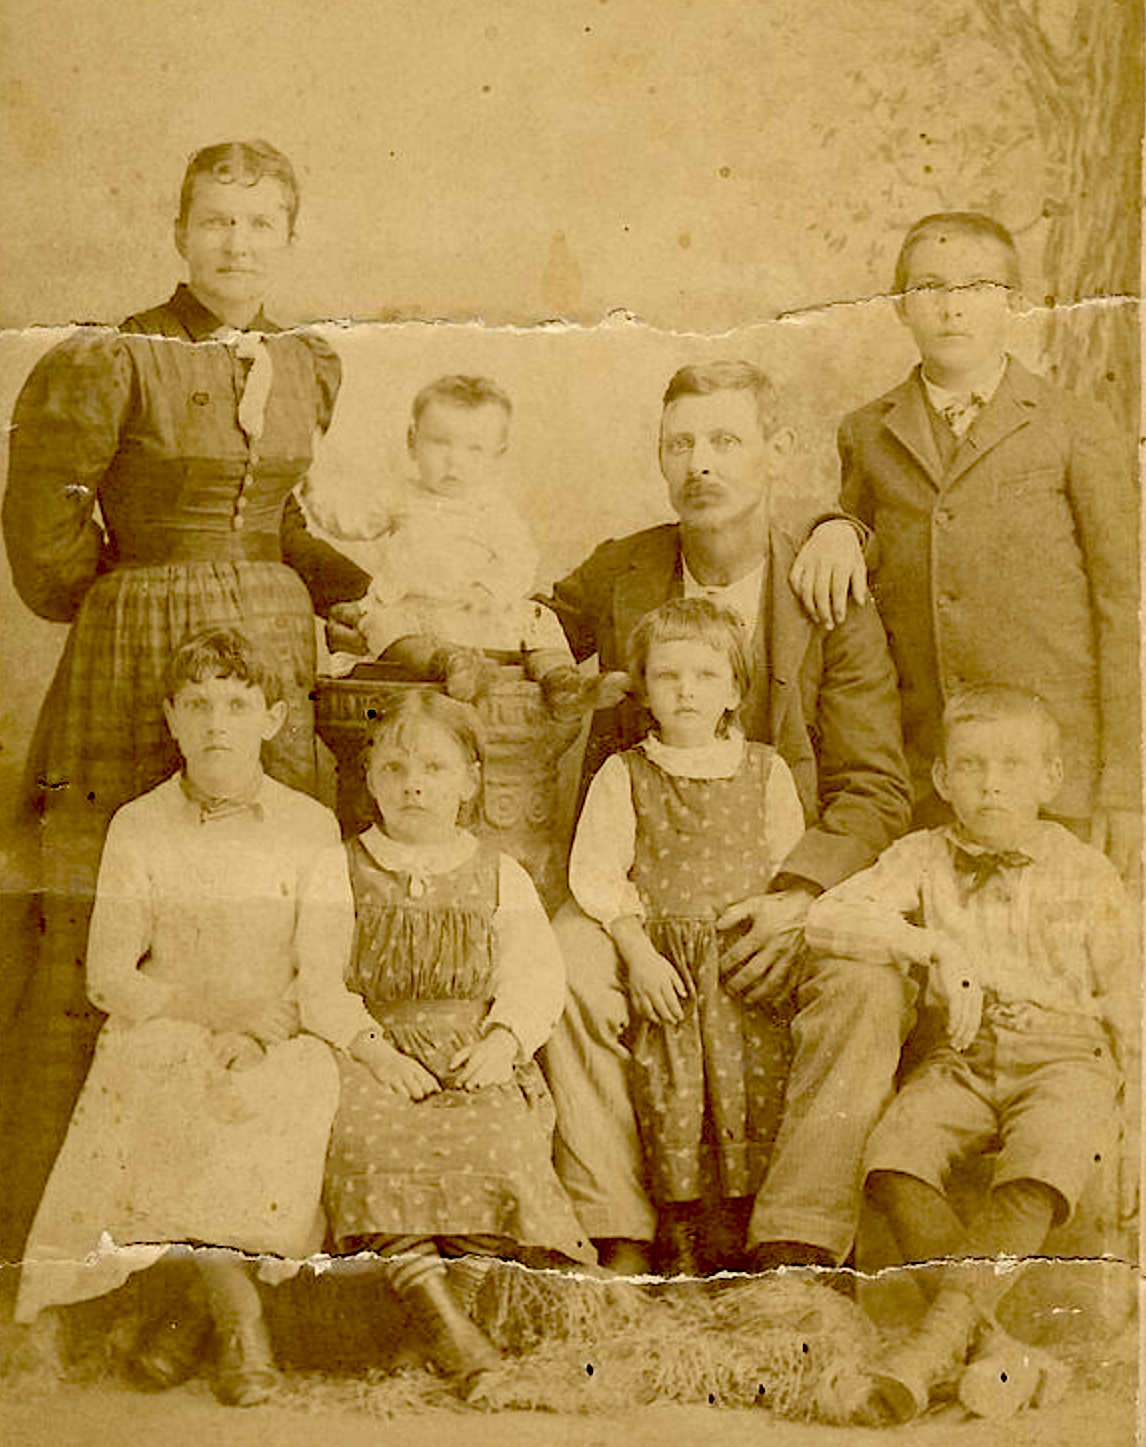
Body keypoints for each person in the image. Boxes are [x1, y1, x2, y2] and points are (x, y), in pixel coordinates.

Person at [0, 139, 369, 1261]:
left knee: (260, 906)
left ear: (288, 237)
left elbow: (283, 513)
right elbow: (44, 540)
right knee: (112, 907)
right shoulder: (114, 358)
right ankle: (69, 1234)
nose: (236, 243)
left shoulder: (307, 362)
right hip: (136, 647)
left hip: (268, 641)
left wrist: (351, 590)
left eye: (259, 223)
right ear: (179, 232)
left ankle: (247, 1232)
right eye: (216, 220)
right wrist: (133, 590)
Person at [541, 360, 914, 1275]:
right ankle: (619, 1228)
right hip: (644, 887)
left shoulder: (827, 590)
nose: (699, 464)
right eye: (680, 444)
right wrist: (524, 646)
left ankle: (796, 1237)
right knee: (570, 962)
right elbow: (536, 618)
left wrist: (799, 898)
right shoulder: (625, 569)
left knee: (865, 987)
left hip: (787, 885)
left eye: (724, 440)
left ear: (775, 452)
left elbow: (874, 787)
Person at [15, 630, 345, 1408]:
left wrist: (257, 1032)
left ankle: (184, 1326)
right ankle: (239, 1321)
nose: (216, 724)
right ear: (171, 718)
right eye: (197, 705)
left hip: (277, 1033)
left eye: (236, 704)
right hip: (169, 1020)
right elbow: (109, 975)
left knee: (292, 1086)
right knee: (156, 1074)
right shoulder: (140, 824)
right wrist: (211, 1013)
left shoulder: (309, 826)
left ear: (272, 718)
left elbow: (322, 971)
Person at [803, 685, 1139, 1422]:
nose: (991, 785)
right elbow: (826, 917)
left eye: (1012, 766)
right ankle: (993, 1348)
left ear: (1050, 777)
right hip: (966, 1054)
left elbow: (1127, 998)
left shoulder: (1084, 868)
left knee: (1049, 1149)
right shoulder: (922, 856)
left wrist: (1133, 1114)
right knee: (892, 1154)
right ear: (943, 778)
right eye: (973, 766)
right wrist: (931, 945)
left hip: (1067, 1054)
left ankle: (929, 1350)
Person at [790, 212, 1140, 884]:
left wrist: (1126, 789)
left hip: (1052, 781)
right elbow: (863, 550)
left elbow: (1124, 610)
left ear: (1013, 301)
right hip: (931, 773)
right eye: (929, 287)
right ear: (900, 306)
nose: (952, 307)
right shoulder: (867, 432)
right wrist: (833, 527)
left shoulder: (1075, 425)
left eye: (977, 286)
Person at [295, 689, 593, 1395]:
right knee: (368, 1144)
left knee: (502, 1144)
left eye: (434, 768)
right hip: (372, 1052)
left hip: (471, 1052)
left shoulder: (500, 872)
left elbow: (536, 975)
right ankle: (455, 1333)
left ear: (470, 781)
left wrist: (504, 1040)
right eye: (395, 769)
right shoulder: (339, 867)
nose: (414, 785)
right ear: (370, 780)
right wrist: (374, 1051)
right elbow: (320, 984)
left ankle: (436, 1319)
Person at [567, 599, 806, 1273]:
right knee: (670, 1092)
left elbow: (789, 869)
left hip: (742, 964)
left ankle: (744, 1231)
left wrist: (775, 930)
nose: (686, 691)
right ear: (644, 688)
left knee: (751, 1091)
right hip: (667, 964)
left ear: (735, 690)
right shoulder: (626, 772)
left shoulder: (765, 770)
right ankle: (678, 1232)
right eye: (668, 676)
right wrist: (638, 954)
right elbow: (597, 872)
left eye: (706, 675)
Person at [316, 374, 606, 717]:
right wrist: (312, 487)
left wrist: (488, 590)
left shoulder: (493, 509)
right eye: (440, 443)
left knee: (540, 620)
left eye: (474, 449)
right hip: (416, 612)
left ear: (497, 455)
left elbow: (520, 560)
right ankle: (450, 663)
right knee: (381, 623)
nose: (455, 461)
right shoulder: (400, 496)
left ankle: (562, 682)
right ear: (412, 441)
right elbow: (350, 522)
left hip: (475, 613)